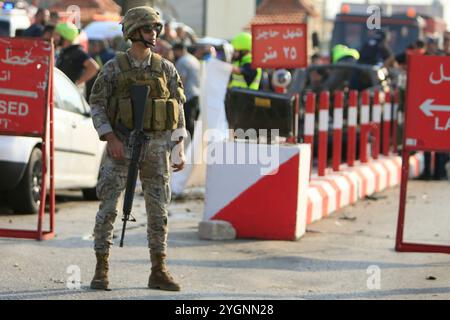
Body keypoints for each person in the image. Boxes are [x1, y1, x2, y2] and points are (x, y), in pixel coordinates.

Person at [88, 6, 187, 292]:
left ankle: (159, 269)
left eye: (156, 28)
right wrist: (110, 137)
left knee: (159, 210)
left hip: (156, 148)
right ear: (133, 32)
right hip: (122, 145)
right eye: (148, 29)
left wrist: (178, 145)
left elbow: (178, 107)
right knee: (108, 208)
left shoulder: (165, 67)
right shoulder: (113, 68)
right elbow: (97, 104)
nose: (153, 33)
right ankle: (101, 268)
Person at [54, 22, 99, 87]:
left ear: (65, 36)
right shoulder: (65, 52)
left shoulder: (77, 52)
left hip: (70, 95)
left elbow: (94, 67)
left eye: (57, 35)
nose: (54, 38)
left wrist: (77, 83)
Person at [173, 42, 200, 138]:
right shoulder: (194, 59)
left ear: (177, 51)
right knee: (194, 121)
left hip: (187, 95)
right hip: (197, 93)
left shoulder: (182, 61)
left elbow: (181, 80)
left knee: (188, 122)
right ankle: (194, 142)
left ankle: (188, 145)